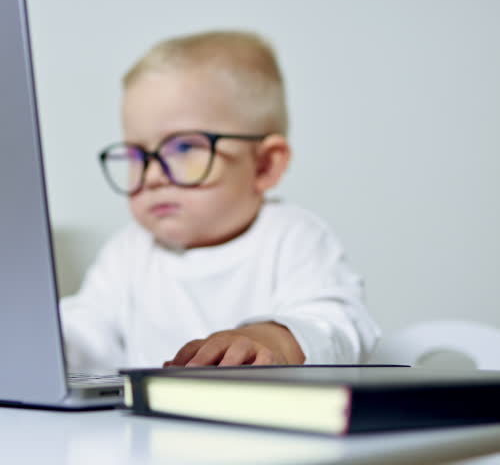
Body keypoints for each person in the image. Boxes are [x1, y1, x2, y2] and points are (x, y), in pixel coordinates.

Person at [60, 30, 380, 371]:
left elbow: (337, 324)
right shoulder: (128, 252)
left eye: (184, 147)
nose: (152, 175)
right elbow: (87, 332)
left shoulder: (292, 237)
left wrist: (272, 340)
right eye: (138, 154)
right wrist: (53, 341)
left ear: (264, 165)